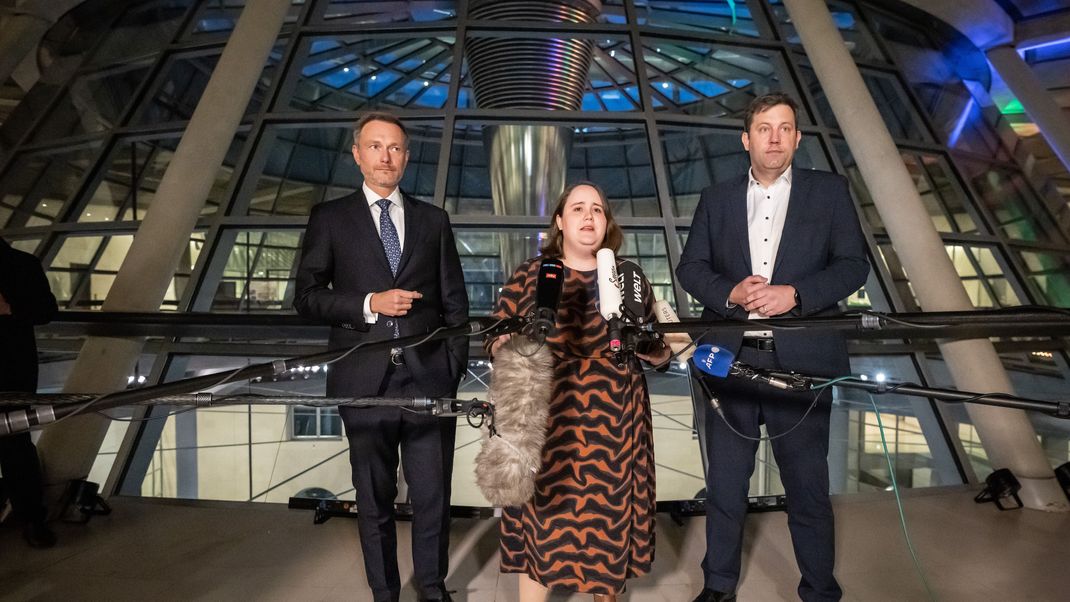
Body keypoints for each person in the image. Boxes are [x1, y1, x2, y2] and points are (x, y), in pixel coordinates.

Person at [676, 92, 869, 602]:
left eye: (785, 127)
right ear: (747, 139)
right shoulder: (715, 199)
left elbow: (853, 265)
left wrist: (796, 295)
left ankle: (820, 590)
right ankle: (718, 587)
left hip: (802, 362)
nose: (776, 137)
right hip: (730, 362)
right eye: (765, 128)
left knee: (807, 488)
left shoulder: (829, 193)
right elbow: (690, 268)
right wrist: (731, 293)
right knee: (725, 487)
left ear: (798, 137)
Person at [294, 112, 469, 602]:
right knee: (373, 500)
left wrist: (451, 370)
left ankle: (433, 590)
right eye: (375, 146)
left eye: (395, 148)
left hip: (428, 380)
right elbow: (306, 297)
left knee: (434, 499)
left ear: (406, 157)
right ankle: (385, 594)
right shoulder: (330, 217)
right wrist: (368, 303)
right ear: (357, 155)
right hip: (362, 380)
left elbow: (456, 304)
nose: (386, 156)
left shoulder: (434, 219)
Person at [486, 182, 671, 602]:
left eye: (597, 210)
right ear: (559, 221)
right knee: (541, 526)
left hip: (616, 428)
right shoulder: (533, 274)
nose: (589, 217)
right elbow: (494, 339)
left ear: (607, 223)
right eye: (578, 209)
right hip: (547, 421)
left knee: (607, 530)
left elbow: (658, 352)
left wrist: (656, 344)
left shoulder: (631, 277)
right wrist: (517, 344)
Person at [0, 236, 59, 548]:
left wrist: (9, 307)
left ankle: (32, 518)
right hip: (14, 368)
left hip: (11, 370)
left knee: (16, 444)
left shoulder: (21, 264)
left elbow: (46, 310)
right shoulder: (22, 263)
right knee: (16, 444)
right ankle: (32, 520)